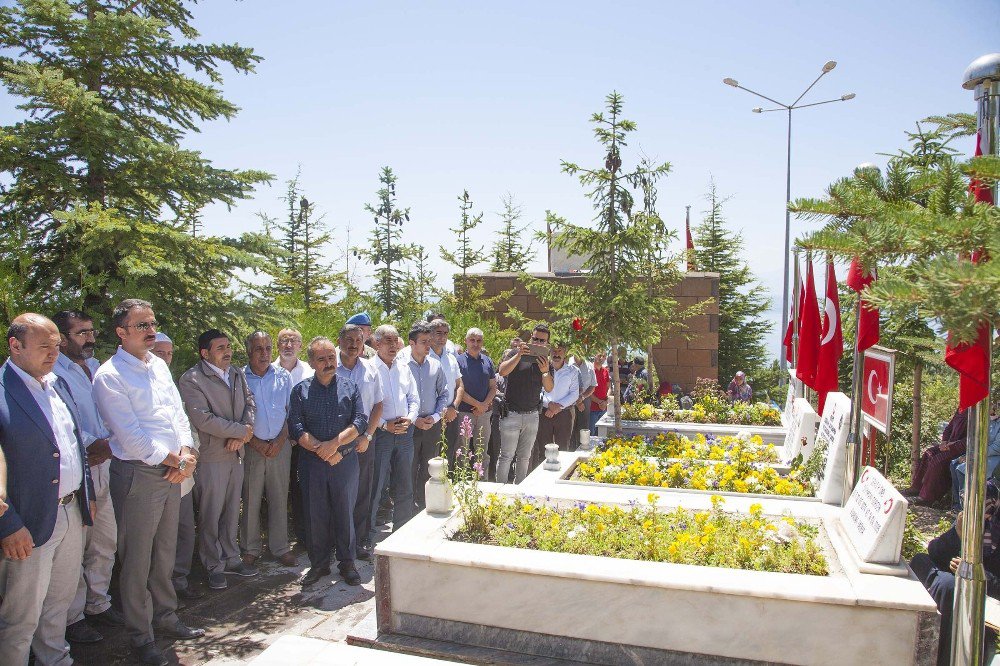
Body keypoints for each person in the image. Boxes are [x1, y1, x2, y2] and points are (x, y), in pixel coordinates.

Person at [93, 299, 203, 666]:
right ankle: (141, 637)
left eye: (152, 323)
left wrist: (186, 453)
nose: (150, 330)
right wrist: (177, 461)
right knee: (137, 560)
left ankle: (166, 617)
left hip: (174, 471)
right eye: (141, 325)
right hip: (140, 474)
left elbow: (177, 415)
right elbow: (130, 437)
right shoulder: (110, 375)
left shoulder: (157, 365)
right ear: (120, 332)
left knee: (164, 553)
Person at [0, 313, 95, 666]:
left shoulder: (57, 384)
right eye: (44, 346)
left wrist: (88, 497)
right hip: (28, 521)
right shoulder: (2, 391)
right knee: (21, 614)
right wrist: (8, 524)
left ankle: (54, 659)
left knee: (59, 602)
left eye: (56, 345)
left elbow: (74, 444)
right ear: (15, 345)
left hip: (70, 511)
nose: (53, 353)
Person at [51, 310, 123, 645]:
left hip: (106, 463)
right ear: (61, 338)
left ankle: (98, 603)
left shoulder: (96, 369)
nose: (90, 339)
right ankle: (72, 617)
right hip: (78, 469)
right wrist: (90, 445)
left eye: (92, 331)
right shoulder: (52, 373)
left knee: (105, 540)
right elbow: (60, 423)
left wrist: (112, 442)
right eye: (81, 333)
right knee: (75, 546)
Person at [179, 330, 256, 590]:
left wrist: (244, 434)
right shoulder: (192, 379)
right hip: (212, 457)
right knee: (211, 514)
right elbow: (202, 418)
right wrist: (239, 432)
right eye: (221, 347)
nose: (228, 351)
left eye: (228, 346)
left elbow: (250, 404)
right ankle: (213, 565)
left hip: (236, 453)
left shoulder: (236, 373)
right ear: (205, 353)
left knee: (233, 509)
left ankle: (231, 558)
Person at [287, 336, 367, 587]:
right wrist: (322, 450)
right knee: (315, 515)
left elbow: (360, 421)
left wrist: (335, 446)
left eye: (331, 357)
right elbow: (296, 427)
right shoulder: (300, 390)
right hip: (313, 463)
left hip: (344, 461)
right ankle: (319, 564)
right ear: (311, 362)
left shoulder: (349, 387)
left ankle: (347, 563)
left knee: (345, 512)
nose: (328, 363)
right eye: (321, 359)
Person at [910, 485, 1000, 665]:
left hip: (986, 601)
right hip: (959, 591)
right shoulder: (971, 519)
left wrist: (979, 575)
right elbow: (935, 551)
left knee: (948, 586)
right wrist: (957, 535)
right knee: (921, 561)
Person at [153, 333, 204, 603]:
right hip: (157, 473)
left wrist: (188, 459)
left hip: (183, 472)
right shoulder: (141, 384)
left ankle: (179, 579)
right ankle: (157, 589)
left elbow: (188, 428)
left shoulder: (172, 385)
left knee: (185, 529)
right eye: (159, 352)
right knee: (158, 538)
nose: (164, 358)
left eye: (169, 353)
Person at [241, 332, 296, 568]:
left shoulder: (283, 376)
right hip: (252, 447)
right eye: (258, 349)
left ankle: (280, 547)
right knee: (251, 499)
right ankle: (250, 548)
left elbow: (290, 412)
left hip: (280, 446)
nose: (264, 353)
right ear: (248, 352)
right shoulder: (239, 378)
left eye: (267, 348)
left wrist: (280, 440)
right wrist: (257, 443)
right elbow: (237, 416)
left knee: (279, 497)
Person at [335, 324, 383, 561]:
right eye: (349, 340)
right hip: (335, 441)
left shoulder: (370, 370)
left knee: (362, 491)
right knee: (336, 492)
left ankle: (359, 540)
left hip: (363, 441)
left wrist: (368, 436)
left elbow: (378, 405)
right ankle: (337, 542)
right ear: (339, 340)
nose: (354, 345)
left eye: (359, 340)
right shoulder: (328, 367)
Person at [368, 325, 419, 539]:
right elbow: (364, 406)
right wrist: (383, 425)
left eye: (395, 340)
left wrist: (410, 418)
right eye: (387, 341)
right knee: (376, 485)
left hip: (405, 432)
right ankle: (367, 533)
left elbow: (414, 398)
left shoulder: (403, 367)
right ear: (377, 343)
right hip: (381, 434)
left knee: (405, 482)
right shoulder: (369, 368)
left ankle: (403, 530)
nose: (392, 345)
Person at [496, 324, 554, 484]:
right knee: (506, 455)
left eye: (542, 341)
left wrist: (544, 371)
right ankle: (499, 493)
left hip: (532, 415)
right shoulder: (516, 352)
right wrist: (519, 355)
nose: (538, 343)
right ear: (531, 337)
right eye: (535, 339)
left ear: (547, 343)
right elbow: (502, 371)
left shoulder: (545, 362)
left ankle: (519, 490)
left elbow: (549, 387)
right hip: (511, 414)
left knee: (524, 457)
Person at [274, 328, 314, 546]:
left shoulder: (309, 371)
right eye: (284, 341)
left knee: (301, 490)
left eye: (293, 341)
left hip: (302, 441)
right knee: (277, 492)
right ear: (278, 344)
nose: (288, 345)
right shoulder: (267, 370)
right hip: (274, 441)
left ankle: (303, 537)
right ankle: (277, 540)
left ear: (300, 345)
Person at [405, 322, 449, 512]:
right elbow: (400, 397)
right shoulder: (402, 365)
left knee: (429, 466)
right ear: (412, 343)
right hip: (410, 425)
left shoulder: (435, 365)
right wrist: (414, 419)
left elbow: (444, 394)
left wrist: (437, 416)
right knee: (408, 467)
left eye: (429, 341)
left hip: (432, 424)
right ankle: (407, 507)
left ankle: (425, 504)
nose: (428, 345)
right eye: (424, 342)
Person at [901, 409, 968, 504]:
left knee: (937, 461)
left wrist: (952, 445)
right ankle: (916, 488)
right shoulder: (961, 408)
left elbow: (970, 440)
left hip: (961, 450)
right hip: (949, 445)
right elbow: (949, 427)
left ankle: (926, 498)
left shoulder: (975, 412)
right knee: (929, 453)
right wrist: (944, 441)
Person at [456, 328, 498, 479]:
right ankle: (461, 483)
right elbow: (458, 389)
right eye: (472, 340)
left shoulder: (487, 361)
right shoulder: (458, 361)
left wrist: (484, 405)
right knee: (462, 450)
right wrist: (478, 405)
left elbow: (493, 387)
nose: (475, 343)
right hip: (464, 413)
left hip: (484, 414)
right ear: (466, 341)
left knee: (482, 451)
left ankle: (482, 482)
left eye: (479, 340)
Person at [533, 342, 579, 467]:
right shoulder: (542, 368)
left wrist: (558, 407)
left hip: (564, 414)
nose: (557, 354)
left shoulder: (572, 371)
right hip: (545, 413)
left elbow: (574, 394)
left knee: (563, 448)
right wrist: (549, 404)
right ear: (549, 352)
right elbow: (537, 390)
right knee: (543, 449)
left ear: (565, 353)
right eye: (554, 350)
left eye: (560, 351)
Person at [949, 405, 1000, 510]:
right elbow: (975, 440)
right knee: (954, 463)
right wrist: (969, 454)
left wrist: (976, 455)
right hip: (981, 453)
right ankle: (957, 504)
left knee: (962, 469)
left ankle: (966, 507)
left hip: (995, 457)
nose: (993, 408)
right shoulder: (987, 421)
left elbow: (996, 448)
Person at [428, 318, 463, 467]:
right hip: (431, 416)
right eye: (438, 333)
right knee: (431, 458)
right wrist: (441, 411)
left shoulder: (451, 359)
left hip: (451, 414)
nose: (442, 337)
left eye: (445, 333)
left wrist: (453, 407)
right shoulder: (424, 357)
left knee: (449, 455)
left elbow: (460, 386)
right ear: (430, 334)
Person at [569, 352, 597, 450]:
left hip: (585, 400)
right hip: (568, 401)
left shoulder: (589, 365)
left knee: (583, 428)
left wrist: (582, 398)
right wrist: (576, 401)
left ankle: (582, 451)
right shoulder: (567, 363)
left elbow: (593, 385)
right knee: (570, 429)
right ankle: (570, 452)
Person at [589, 352, 610, 434]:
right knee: (592, 434)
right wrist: (600, 402)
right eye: (599, 355)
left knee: (602, 434)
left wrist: (605, 401)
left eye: (604, 356)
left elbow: (609, 388)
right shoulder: (590, 371)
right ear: (594, 356)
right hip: (592, 409)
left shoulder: (605, 371)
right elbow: (588, 391)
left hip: (604, 409)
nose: (601, 358)